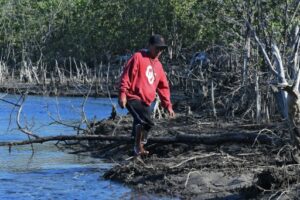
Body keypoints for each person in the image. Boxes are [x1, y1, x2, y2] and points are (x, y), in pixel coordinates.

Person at [118, 34, 175, 156]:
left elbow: (163, 87)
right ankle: (138, 147)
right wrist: (122, 94)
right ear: (149, 46)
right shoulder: (138, 57)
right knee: (145, 121)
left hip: (146, 101)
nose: (159, 51)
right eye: (157, 48)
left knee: (140, 123)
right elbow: (126, 76)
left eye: (161, 49)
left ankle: (136, 150)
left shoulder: (158, 65)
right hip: (132, 97)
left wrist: (168, 105)